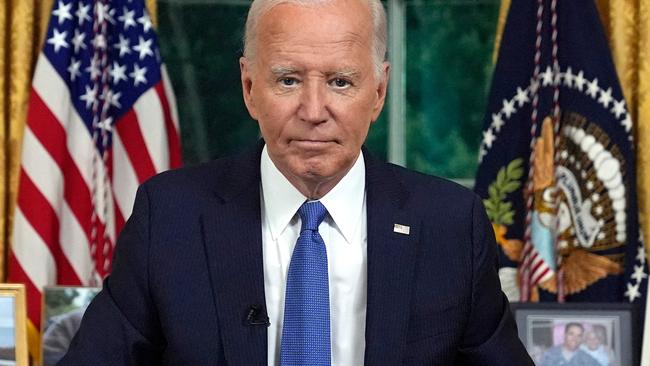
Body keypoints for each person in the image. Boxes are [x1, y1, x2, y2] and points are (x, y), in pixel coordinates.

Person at [58, 0, 533, 364]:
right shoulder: (170, 217)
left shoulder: (450, 224)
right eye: (287, 80)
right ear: (249, 88)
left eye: (341, 82)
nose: (312, 111)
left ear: (379, 92)